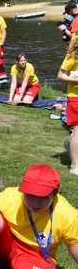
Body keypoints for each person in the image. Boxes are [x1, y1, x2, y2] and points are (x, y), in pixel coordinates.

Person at [58, 40, 78, 175]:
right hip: (75, 97)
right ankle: (75, 165)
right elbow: (60, 75)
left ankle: (70, 148)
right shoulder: (72, 57)